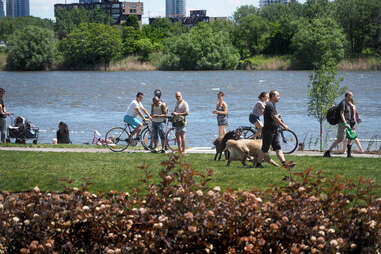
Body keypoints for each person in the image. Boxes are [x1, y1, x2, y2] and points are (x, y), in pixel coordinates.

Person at [260, 90, 295, 168]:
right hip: (268, 131)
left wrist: (280, 119)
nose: (279, 97)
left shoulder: (273, 105)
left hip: (274, 130)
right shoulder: (269, 105)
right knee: (265, 149)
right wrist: (283, 125)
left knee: (278, 147)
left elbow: (275, 116)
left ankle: (284, 164)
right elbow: (275, 118)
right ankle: (257, 163)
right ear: (273, 96)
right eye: (277, 96)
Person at [324, 91, 355, 158]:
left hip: (350, 122)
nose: (352, 97)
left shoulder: (350, 103)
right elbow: (342, 114)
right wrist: (345, 123)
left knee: (350, 137)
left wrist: (353, 121)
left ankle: (349, 154)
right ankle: (328, 152)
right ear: (347, 96)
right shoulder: (343, 103)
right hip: (343, 123)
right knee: (340, 139)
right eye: (350, 95)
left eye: (352, 95)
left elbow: (352, 112)